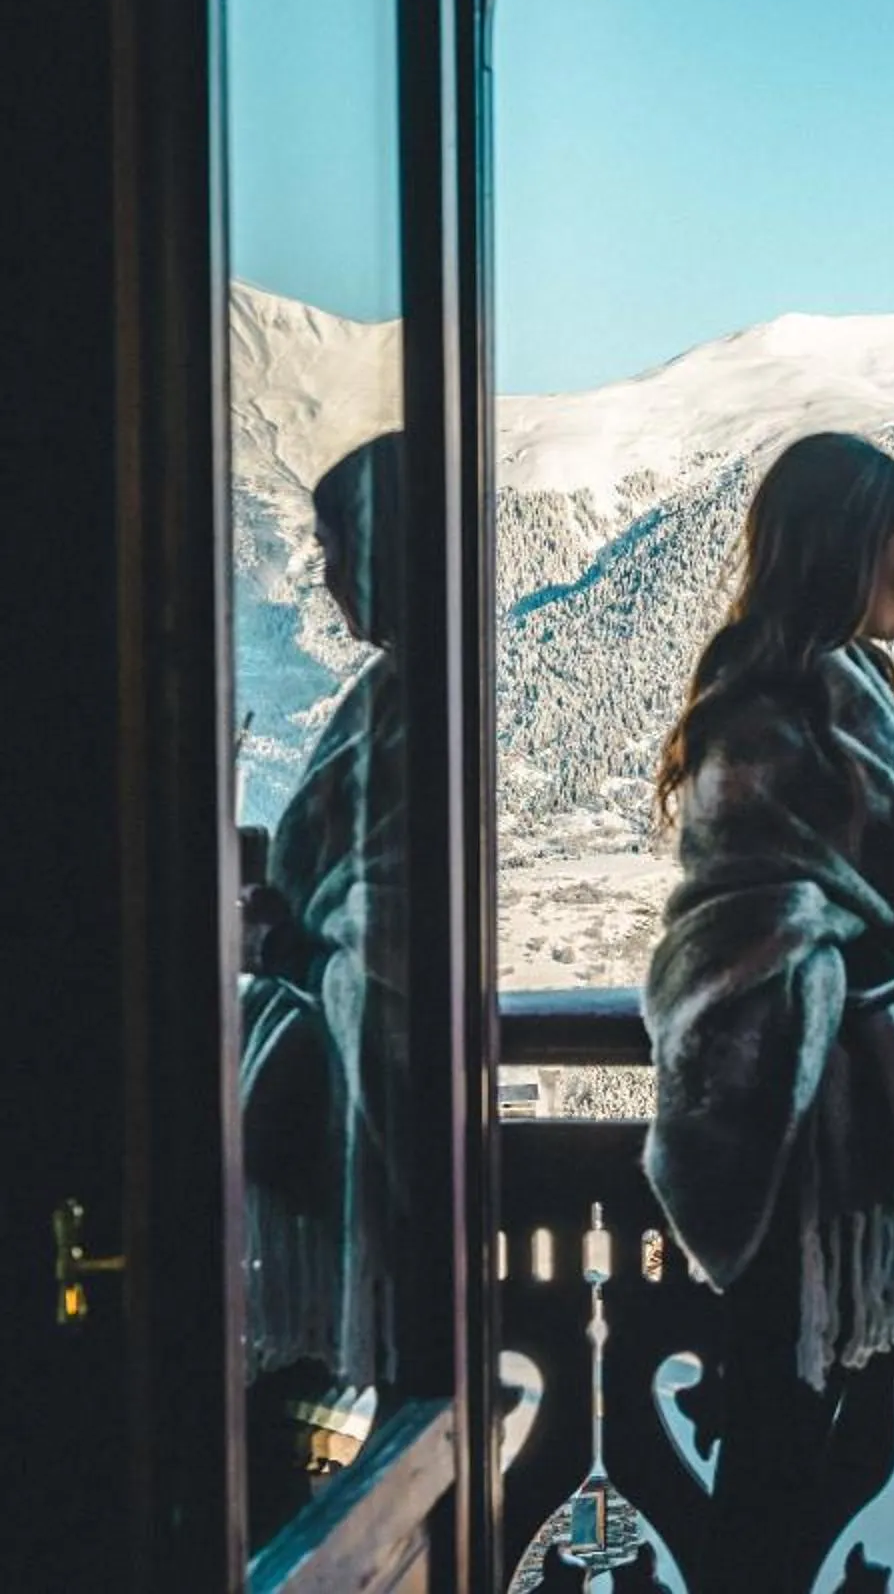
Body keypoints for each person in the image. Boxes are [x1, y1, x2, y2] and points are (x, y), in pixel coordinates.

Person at [646, 432, 894, 1590]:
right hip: (832, 1175)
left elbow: (867, 903)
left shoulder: (857, 687)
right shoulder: (763, 719)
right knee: (786, 1470)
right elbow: (737, 964)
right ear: (841, 553)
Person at [238, 431, 409, 1536]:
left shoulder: (407, 709)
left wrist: (279, 939)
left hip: (352, 1148)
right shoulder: (396, 696)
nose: (330, 574)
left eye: (339, 545)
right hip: (332, 1143)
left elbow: (387, 948)